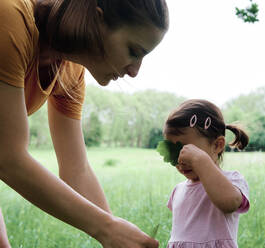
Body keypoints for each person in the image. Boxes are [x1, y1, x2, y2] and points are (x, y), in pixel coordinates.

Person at [0, 0, 168, 247]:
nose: (135, 71)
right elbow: (9, 157)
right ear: (98, 21)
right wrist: (107, 229)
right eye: (134, 51)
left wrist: (119, 235)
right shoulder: (10, 18)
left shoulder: (70, 72)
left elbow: (76, 170)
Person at [163, 99, 250, 248]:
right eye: (173, 151)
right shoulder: (178, 190)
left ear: (217, 145)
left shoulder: (231, 180)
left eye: (187, 151)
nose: (180, 159)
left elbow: (230, 203)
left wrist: (201, 161)